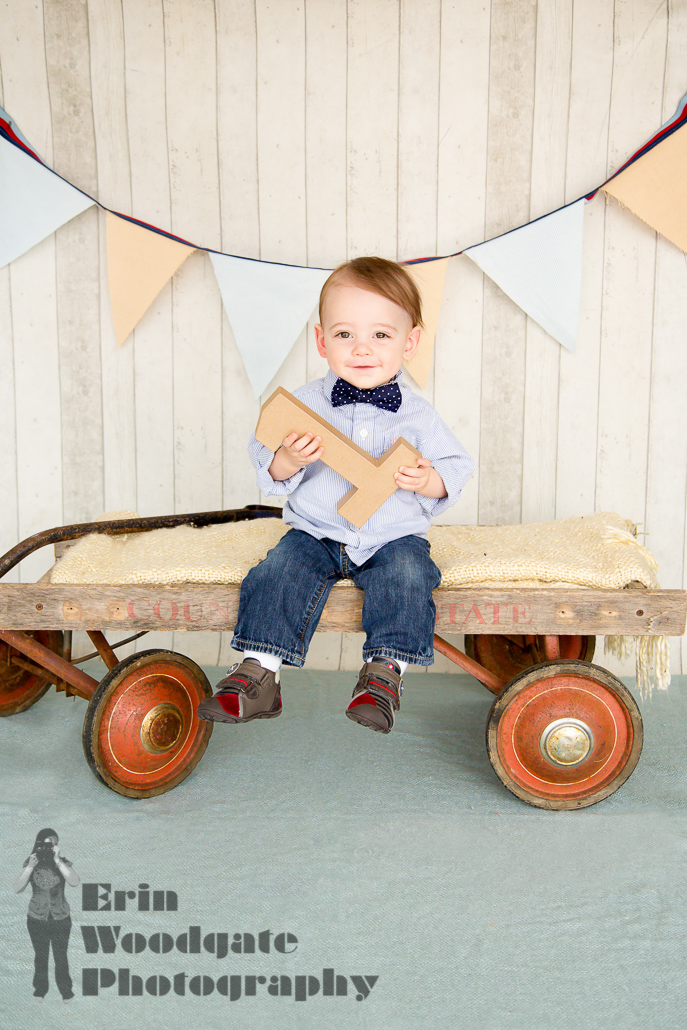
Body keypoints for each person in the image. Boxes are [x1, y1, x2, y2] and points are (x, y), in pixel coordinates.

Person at [198, 256, 474, 733]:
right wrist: (289, 459)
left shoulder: (420, 416)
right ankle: (259, 672)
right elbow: (265, 456)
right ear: (322, 340)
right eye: (345, 334)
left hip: (392, 536)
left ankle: (384, 674)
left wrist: (427, 479)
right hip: (316, 530)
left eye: (381, 335)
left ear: (410, 342)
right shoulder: (302, 404)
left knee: (410, 576)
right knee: (276, 572)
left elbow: (456, 467)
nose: (362, 349)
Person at [14, 828, 79, 1001]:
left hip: (61, 917)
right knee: (40, 956)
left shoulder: (62, 862)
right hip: (36, 918)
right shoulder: (31, 862)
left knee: (61, 956)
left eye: (54, 844)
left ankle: (66, 991)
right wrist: (29, 867)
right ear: (38, 844)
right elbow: (17, 888)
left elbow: (74, 881)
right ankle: (40, 990)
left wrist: (57, 860)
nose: (50, 848)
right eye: (46, 844)